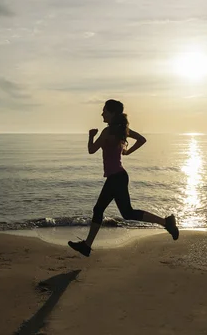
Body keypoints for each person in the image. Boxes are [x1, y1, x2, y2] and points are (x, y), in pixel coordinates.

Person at [68, 99, 179, 257]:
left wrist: (90, 136)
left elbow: (91, 150)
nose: (102, 113)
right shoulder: (123, 130)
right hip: (119, 177)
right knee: (126, 212)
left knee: (103, 209)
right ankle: (165, 222)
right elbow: (142, 139)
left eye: (105, 111)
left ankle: (87, 246)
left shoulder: (107, 132)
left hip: (116, 178)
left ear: (112, 113)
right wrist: (127, 152)